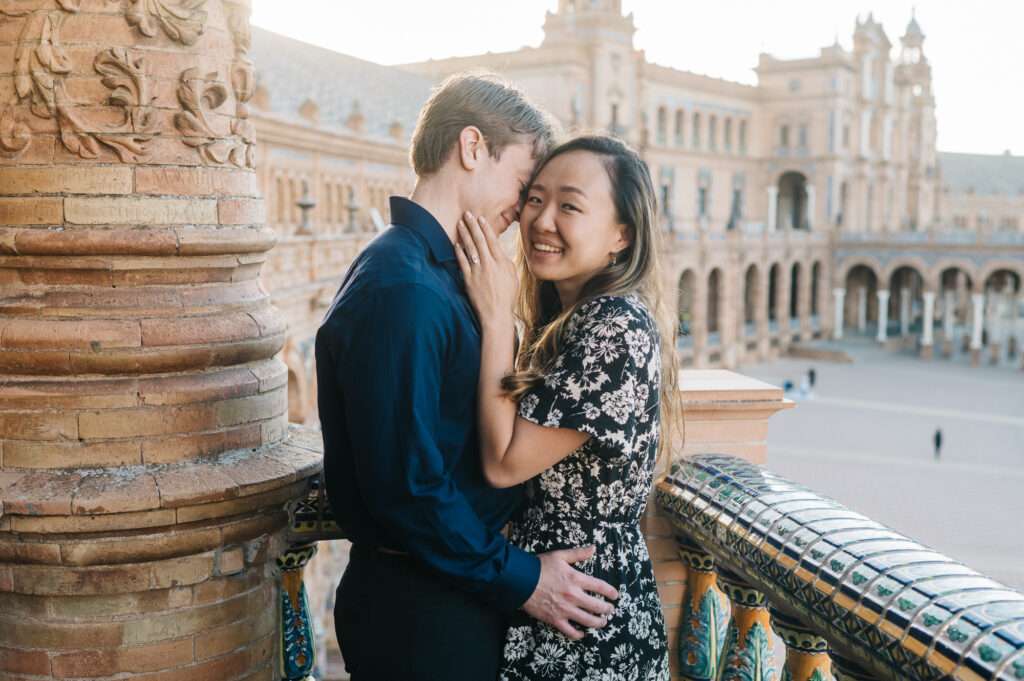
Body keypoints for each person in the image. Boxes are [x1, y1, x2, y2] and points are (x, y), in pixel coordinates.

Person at [315, 75, 618, 680]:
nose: (526, 208)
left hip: (441, 594)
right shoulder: (406, 289)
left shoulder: (430, 276)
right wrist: (526, 580)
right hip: (421, 613)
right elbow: (409, 489)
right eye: (523, 183)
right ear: (473, 148)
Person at [456, 135, 679, 679]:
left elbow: (504, 462)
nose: (542, 220)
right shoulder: (573, 321)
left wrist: (493, 318)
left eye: (571, 206)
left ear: (621, 235)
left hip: (585, 620)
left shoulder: (617, 329)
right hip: (557, 600)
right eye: (535, 198)